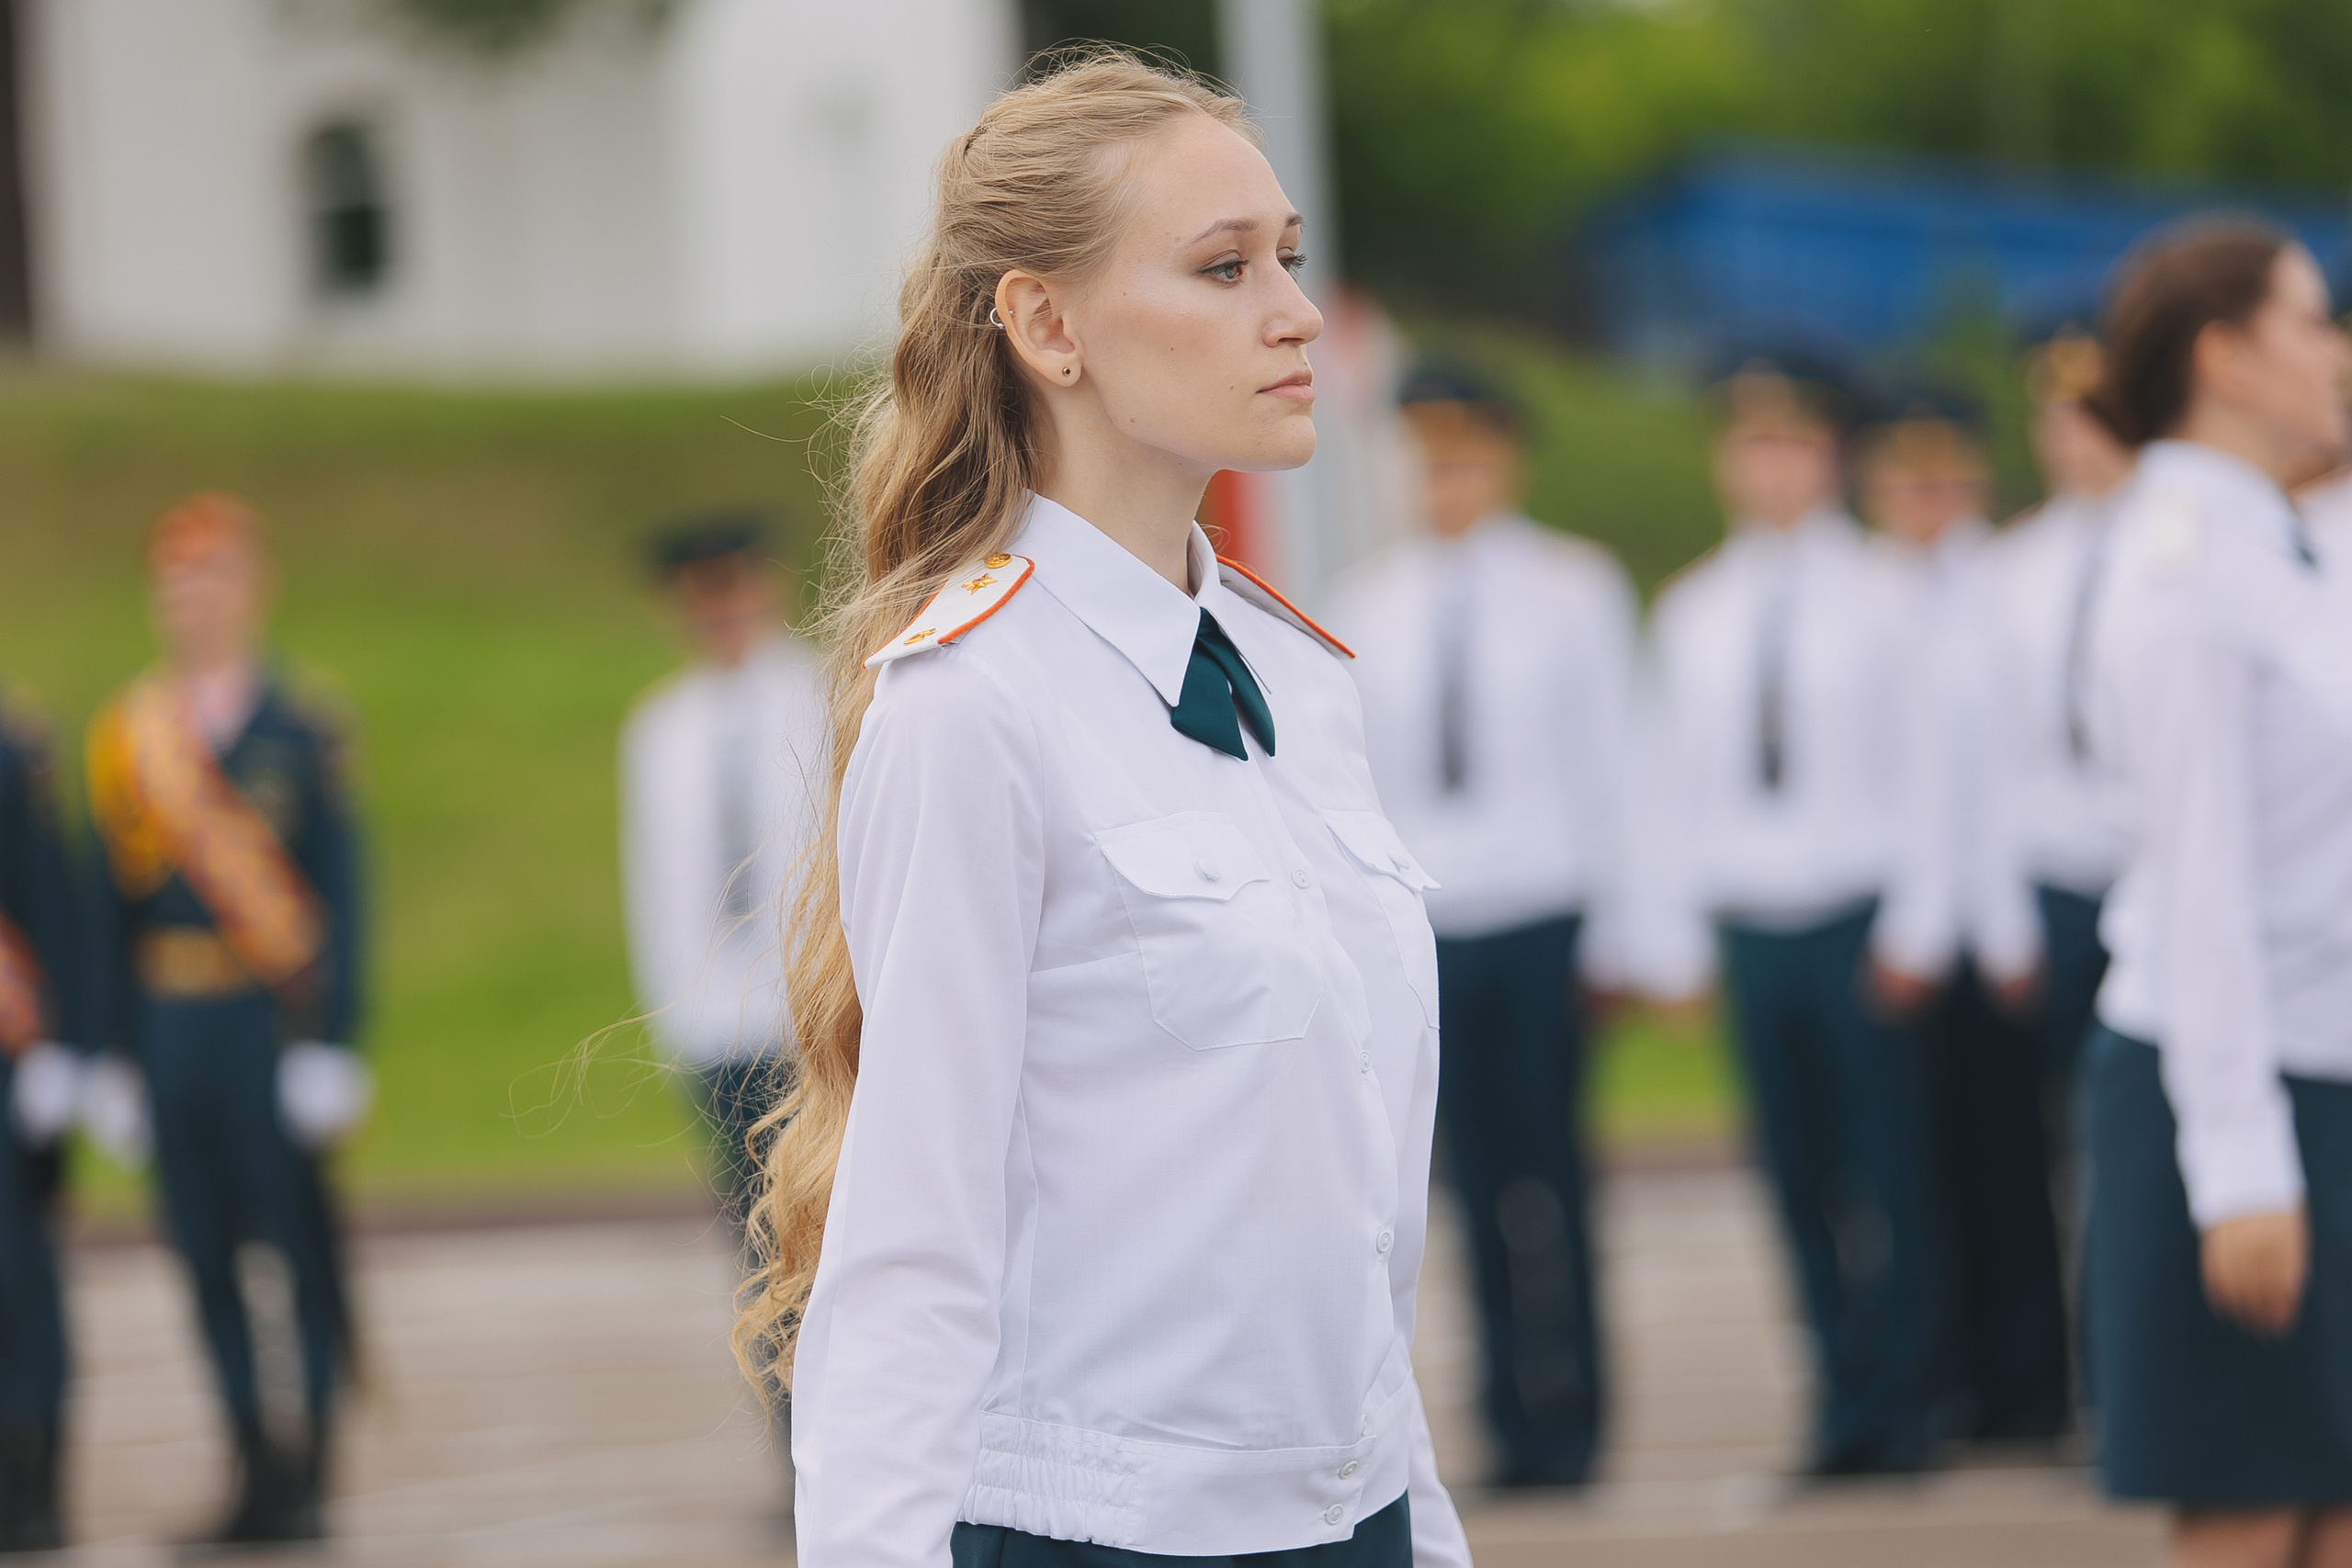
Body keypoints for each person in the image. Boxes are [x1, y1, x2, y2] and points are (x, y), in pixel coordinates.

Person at [732, 53, 1470, 1568]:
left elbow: (1355, 1213)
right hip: (1104, 1534)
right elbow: (913, 1250)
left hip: (1354, 1519)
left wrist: (1423, 1523)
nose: (1296, 313)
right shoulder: (971, 708)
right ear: (1045, 324)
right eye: (1222, 268)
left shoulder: (1300, 680)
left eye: (1288, 258)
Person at [2075, 220, 2352, 1565]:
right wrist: (2239, 1160)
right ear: (2226, 354)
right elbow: (2201, 886)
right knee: (2252, 1510)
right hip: (2236, 1086)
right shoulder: (2185, 569)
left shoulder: (2278, 541)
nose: (2338, 352)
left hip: (2322, 1066)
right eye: (2314, 321)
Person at [1628, 352, 1950, 1475]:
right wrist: (1670, 942)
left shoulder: (1885, 593)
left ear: (1829, 456)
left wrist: (1920, 923)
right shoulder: (1696, 609)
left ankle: (1907, 1398)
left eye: (1792, 443)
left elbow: (1925, 774)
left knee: (1889, 1173)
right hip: (1754, 921)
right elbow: (1668, 787)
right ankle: (1838, 1397)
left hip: (1857, 916)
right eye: (1749, 442)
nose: (1767, 466)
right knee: (1796, 1175)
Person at [1329, 365, 1635, 1489]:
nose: (1442, 479)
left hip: (1543, 909)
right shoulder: (1368, 603)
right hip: (1431, 926)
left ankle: (1578, 1412)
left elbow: (1612, 767)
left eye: (1463, 456)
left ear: (1505, 460)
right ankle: (1508, 1416)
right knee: (1455, 1182)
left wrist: (1624, 937)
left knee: (1552, 1177)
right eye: (1426, 457)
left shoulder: (1571, 586)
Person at [86, 493, 370, 1546]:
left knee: (292, 1248)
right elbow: (102, 910)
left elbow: (343, 896)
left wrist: (335, 1041)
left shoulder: (303, 729)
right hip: (170, 1022)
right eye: (174, 585)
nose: (191, 602)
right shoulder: (130, 737)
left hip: (266, 1024)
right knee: (201, 1250)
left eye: (210, 579)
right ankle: (248, 1458)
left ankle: (310, 1471)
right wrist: (111, 1055)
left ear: (253, 588)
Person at [1854, 389, 2074, 1446]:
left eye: (1941, 476)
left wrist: (2002, 926)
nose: (1922, 498)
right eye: (1903, 477)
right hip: (1898, 930)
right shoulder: (1866, 594)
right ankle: (1954, 1380)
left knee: (2015, 1166)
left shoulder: (2010, 583)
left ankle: (2033, 1385)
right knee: (1923, 1168)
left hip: (2001, 922)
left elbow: (2007, 781)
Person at [620, 513, 823, 1239]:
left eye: (733, 588)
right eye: (701, 595)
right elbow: (653, 881)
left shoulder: (829, 694)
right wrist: (671, 1010)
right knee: (750, 1223)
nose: (721, 611)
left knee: (828, 1214)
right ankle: (769, 1358)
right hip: (714, 1014)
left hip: (812, 1009)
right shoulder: (660, 727)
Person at [0, 688, 84, 1554]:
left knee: (16, 1270)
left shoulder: (14, 750)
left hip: (7, 1055)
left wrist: (61, 1049)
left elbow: (51, 901)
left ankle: (31, 1473)